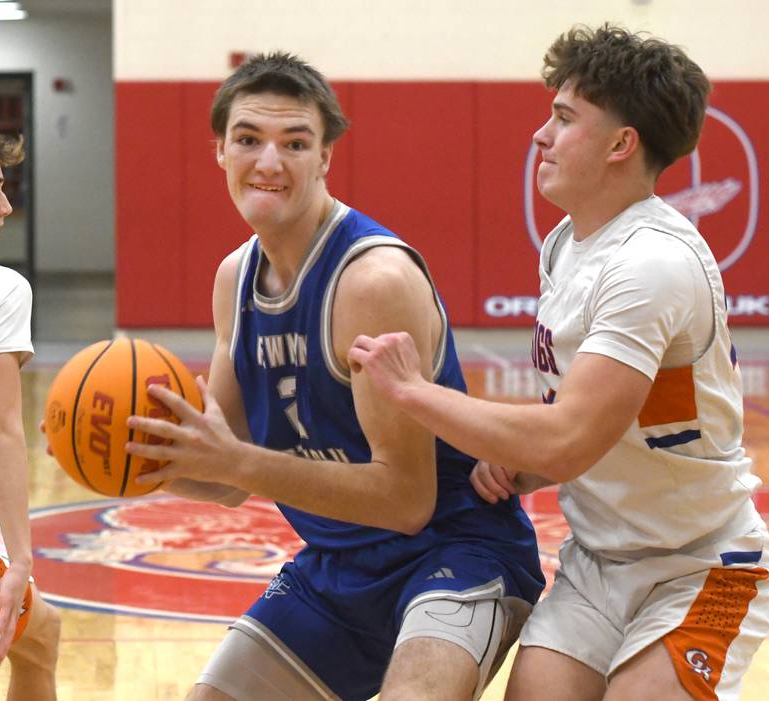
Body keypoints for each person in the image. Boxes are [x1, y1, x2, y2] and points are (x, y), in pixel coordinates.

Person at [348, 24, 769, 701]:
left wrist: (412, 391)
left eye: (563, 117)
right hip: (597, 563)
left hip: (701, 564)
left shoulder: (652, 264)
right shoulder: (567, 245)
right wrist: (528, 465)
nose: (539, 135)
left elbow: (572, 435)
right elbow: (599, 421)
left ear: (620, 144)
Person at [125, 53, 544, 701]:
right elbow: (223, 474)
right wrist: (132, 459)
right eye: (248, 140)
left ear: (324, 158)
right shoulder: (234, 279)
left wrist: (236, 462)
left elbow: (406, 501)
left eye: (295, 143)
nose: (269, 162)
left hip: (455, 549)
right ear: (219, 151)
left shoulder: (370, 281)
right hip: (338, 567)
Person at [0, 129, 61, 699]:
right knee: (37, 634)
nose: (6, 207)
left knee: (43, 632)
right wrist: (20, 563)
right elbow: (0, 428)